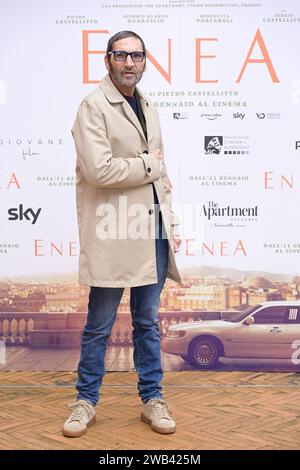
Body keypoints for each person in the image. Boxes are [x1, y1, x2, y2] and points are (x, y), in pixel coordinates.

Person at [62, 31, 182, 438]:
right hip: (114, 232)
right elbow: (100, 170)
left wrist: (171, 223)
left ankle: (152, 399)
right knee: (100, 323)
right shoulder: (92, 107)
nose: (129, 62)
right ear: (107, 60)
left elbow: (161, 178)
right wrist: (149, 164)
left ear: (145, 61)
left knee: (148, 323)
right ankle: (85, 402)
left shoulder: (147, 104)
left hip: (152, 229)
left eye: (137, 55)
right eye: (121, 55)